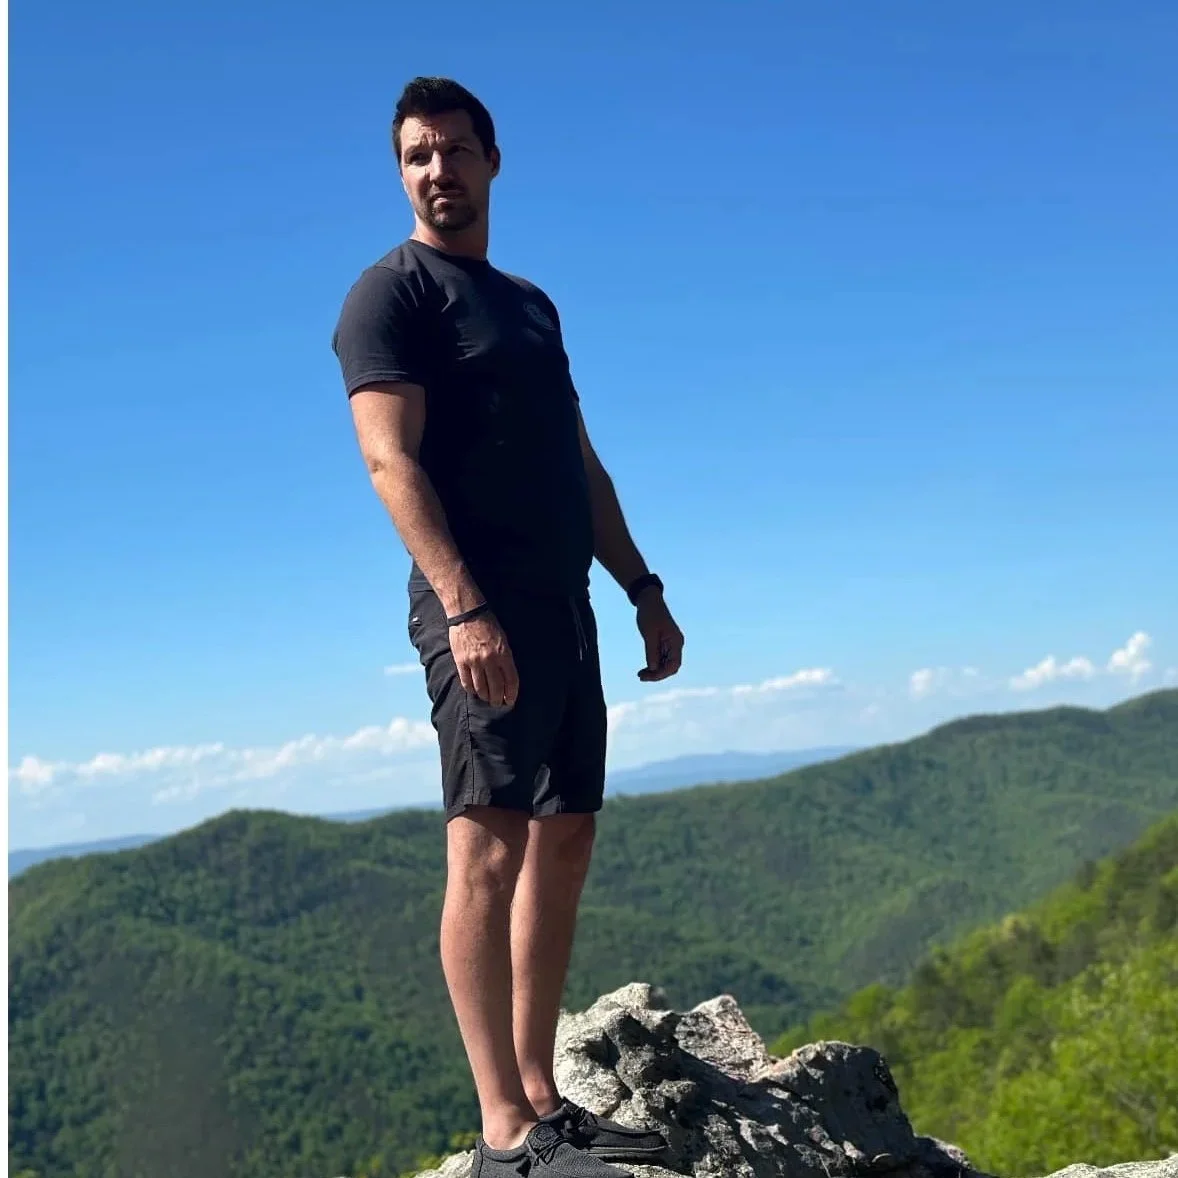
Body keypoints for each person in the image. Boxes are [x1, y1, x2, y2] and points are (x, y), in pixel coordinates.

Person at [332, 77, 685, 1178]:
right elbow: (388, 460)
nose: (436, 169)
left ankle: (542, 1094)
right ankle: (502, 1131)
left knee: (565, 832)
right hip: (477, 610)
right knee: (487, 843)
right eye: (416, 154)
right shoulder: (389, 295)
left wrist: (640, 586)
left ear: (492, 159)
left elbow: (578, 462)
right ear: (402, 172)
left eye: (453, 149)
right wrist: (464, 605)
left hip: (564, 603)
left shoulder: (530, 306)